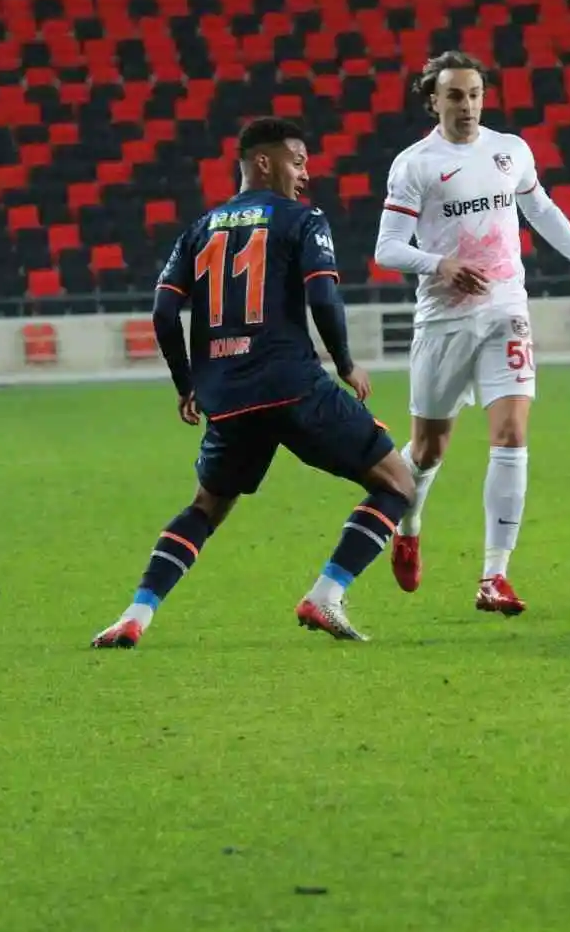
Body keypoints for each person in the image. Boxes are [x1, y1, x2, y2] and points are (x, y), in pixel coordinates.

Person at [91, 118, 413, 647]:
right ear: (264, 161)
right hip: (292, 384)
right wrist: (346, 362)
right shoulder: (302, 219)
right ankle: (326, 595)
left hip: (228, 396)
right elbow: (323, 297)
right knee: (397, 481)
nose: (306, 173)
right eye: (299, 159)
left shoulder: (199, 228)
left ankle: (135, 614)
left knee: (205, 509)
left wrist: (185, 382)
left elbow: (164, 310)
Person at [372, 51, 570, 616]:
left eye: (474, 94)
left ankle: (494, 576)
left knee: (513, 434)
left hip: (505, 309)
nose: (466, 105)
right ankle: (410, 524)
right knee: (426, 449)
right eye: (454, 95)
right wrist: (439, 264)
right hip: (444, 319)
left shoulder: (510, 150)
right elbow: (387, 248)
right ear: (433, 100)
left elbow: (540, 209)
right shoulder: (415, 164)